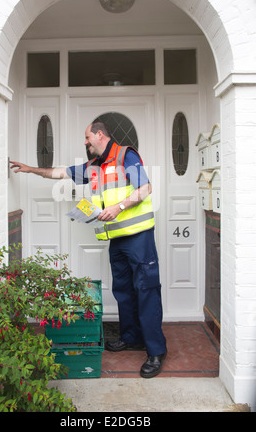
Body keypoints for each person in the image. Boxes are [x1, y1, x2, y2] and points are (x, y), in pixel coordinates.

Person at [10, 120, 167, 378]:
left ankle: (156, 350)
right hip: (116, 239)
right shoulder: (94, 167)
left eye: (87, 137)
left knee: (147, 291)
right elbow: (60, 173)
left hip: (139, 237)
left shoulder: (125, 155)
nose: (85, 142)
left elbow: (145, 188)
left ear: (100, 134)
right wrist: (29, 170)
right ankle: (131, 337)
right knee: (123, 291)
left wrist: (118, 207)